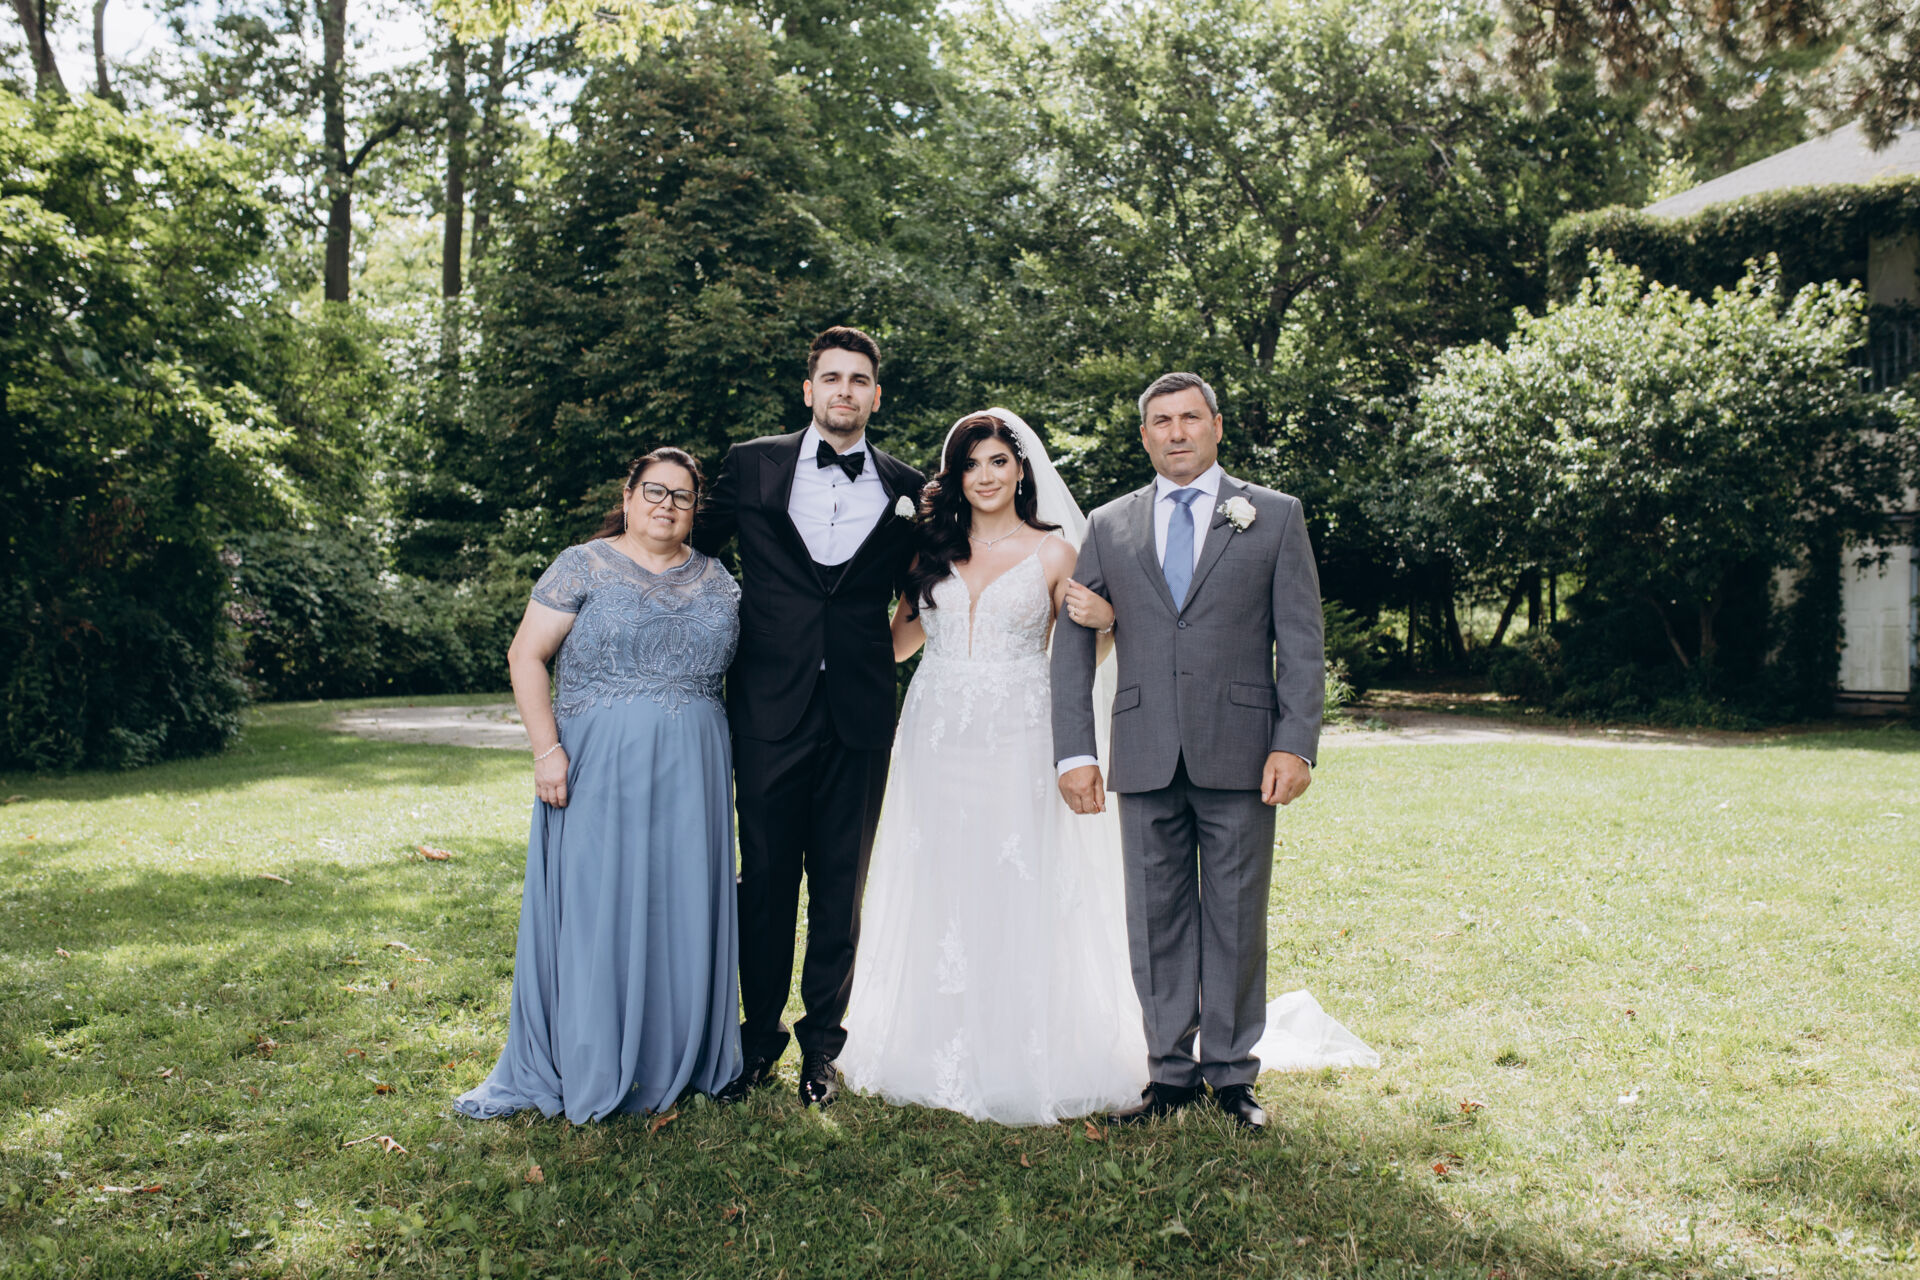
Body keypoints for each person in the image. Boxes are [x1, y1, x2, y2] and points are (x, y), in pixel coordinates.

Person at [838, 411, 1149, 1125]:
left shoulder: (1055, 551)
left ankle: (1021, 1045)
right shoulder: (929, 552)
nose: (985, 476)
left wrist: (1101, 624)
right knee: (941, 872)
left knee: (1017, 871)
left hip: (1019, 729)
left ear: (1020, 470)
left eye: (998, 462)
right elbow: (898, 644)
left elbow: (1083, 649)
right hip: (937, 732)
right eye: (972, 464)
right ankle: (936, 1038)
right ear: (955, 476)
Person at [1052, 372, 1325, 1132]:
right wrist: (1074, 751)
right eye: (1162, 421)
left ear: (1216, 426)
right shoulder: (1109, 524)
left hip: (1242, 749)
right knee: (1155, 917)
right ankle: (1169, 1075)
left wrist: (1295, 742)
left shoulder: (1273, 515)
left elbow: (1302, 642)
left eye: (1190, 418)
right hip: (1143, 749)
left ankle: (1232, 1075)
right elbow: (1074, 642)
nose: (1177, 432)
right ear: (1144, 436)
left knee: (1236, 914)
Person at [455, 448, 742, 1123]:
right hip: (597, 766)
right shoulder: (581, 564)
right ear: (629, 494)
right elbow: (526, 655)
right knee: (598, 903)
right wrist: (546, 750)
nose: (667, 505)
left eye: (682, 496)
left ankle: (677, 1056)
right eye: (655, 491)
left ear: (696, 508)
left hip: (695, 770)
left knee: (680, 904)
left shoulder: (721, 580)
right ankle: (594, 1054)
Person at [691, 327, 925, 1108]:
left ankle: (821, 1047)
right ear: (809, 390)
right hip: (767, 706)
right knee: (763, 881)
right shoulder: (751, 463)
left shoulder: (910, 486)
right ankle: (757, 1040)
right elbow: (688, 551)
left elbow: (933, 587)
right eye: (832, 377)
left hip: (861, 711)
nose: (844, 391)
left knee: (839, 886)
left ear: (876, 396)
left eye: (859, 380)